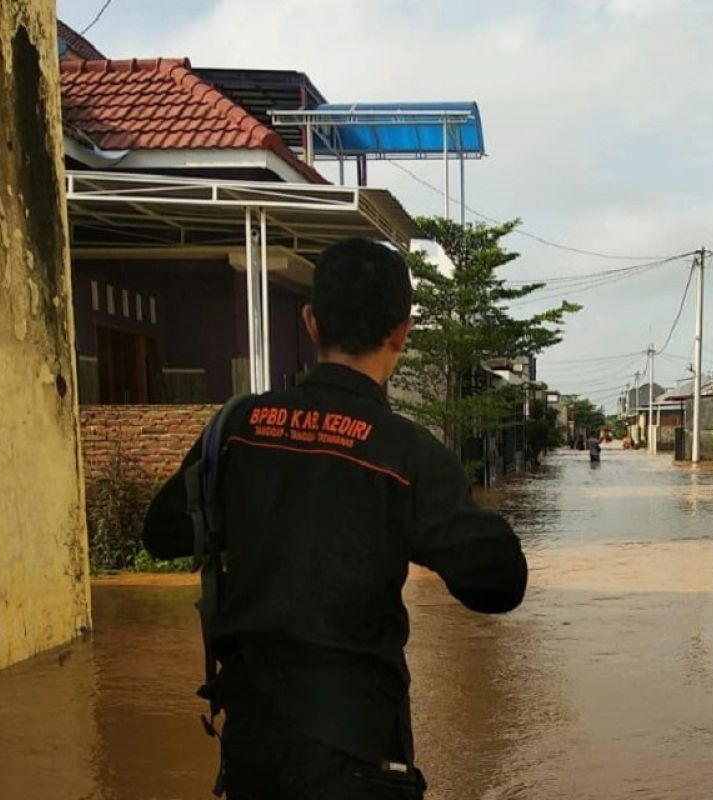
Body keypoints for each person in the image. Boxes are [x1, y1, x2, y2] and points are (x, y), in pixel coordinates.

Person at [142, 238, 528, 800]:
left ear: (311, 322)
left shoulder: (238, 428)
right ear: (403, 332)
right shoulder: (407, 454)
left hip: (253, 743)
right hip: (357, 748)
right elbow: (498, 584)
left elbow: (163, 533)